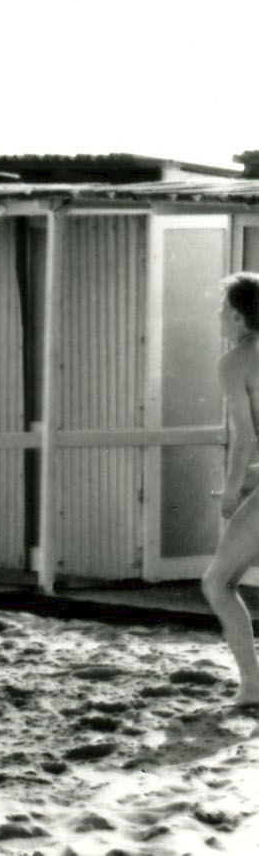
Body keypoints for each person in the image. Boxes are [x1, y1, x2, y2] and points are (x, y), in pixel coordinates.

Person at [201, 272, 259, 706]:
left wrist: (232, 490)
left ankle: (253, 687)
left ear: (238, 317)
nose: (218, 316)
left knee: (219, 583)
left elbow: (244, 436)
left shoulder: (235, 360)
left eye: (223, 309)